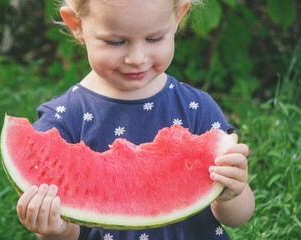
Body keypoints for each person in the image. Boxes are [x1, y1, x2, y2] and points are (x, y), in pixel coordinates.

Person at [16, 0, 255, 239]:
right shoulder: (64, 118)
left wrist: (233, 193)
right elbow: (68, 232)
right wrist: (55, 229)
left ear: (177, 19)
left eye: (154, 39)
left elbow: (238, 217)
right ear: (76, 25)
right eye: (116, 42)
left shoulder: (197, 108)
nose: (137, 58)